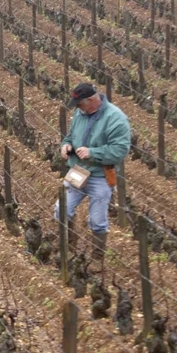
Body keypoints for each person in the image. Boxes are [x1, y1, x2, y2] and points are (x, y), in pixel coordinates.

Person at [54, 83, 131, 265]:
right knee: (61, 210)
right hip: (77, 172)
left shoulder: (116, 119)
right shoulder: (80, 114)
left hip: (100, 176)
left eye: (79, 104)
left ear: (90, 100)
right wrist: (65, 145)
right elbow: (70, 136)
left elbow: (120, 150)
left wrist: (93, 153)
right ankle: (69, 247)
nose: (77, 108)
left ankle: (97, 258)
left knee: (97, 221)